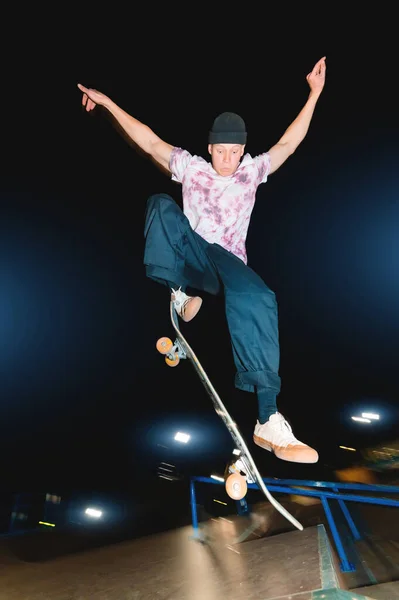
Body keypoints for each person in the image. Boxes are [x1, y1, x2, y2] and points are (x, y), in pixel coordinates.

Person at [77, 56, 326, 464]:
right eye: (220, 151)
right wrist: (107, 104)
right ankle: (176, 292)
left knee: (260, 295)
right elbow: (149, 140)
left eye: (234, 152)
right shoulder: (192, 168)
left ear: (242, 150)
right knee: (159, 203)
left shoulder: (253, 171)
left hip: (227, 263)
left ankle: (268, 420)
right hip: (192, 254)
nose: (226, 160)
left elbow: (288, 143)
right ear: (209, 148)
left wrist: (314, 94)